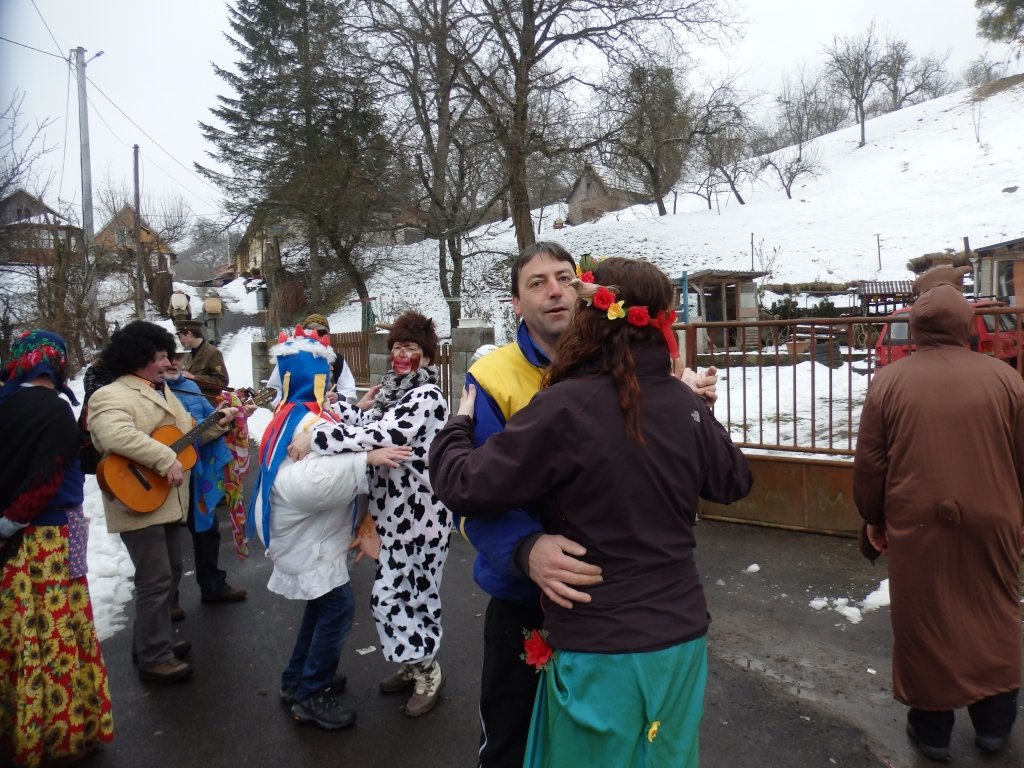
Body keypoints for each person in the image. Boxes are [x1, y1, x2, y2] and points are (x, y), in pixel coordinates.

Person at [429, 257, 752, 767]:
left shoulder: (569, 403)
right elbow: (734, 480)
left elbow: (464, 484)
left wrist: (454, 429)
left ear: (593, 312)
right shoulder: (677, 399)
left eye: (569, 284)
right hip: (679, 640)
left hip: (600, 640)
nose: (559, 294)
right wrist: (695, 410)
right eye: (539, 283)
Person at [854, 272, 1024, 761]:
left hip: (917, 519)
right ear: (965, 325)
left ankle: (931, 731)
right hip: (994, 517)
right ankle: (994, 724)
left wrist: (874, 519)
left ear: (917, 328)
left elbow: (871, 465)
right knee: (994, 611)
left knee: (925, 619)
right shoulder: (1006, 379)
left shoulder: (888, 382)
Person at [289, 311, 452, 718]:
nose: (401, 355)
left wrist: (317, 436)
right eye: (396, 347)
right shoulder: (393, 393)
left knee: (401, 598)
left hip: (422, 519)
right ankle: (412, 662)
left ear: (427, 356)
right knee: (401, 596)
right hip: (391, 517)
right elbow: (369, 423)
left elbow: (384, 435)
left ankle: (427, 670)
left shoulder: (428, 397)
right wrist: (342, 409)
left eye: (410, 348)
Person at [249, 327, 411, 730]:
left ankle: (297, 679)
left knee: (322, 605)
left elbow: (334, 437)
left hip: (310, 535)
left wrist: (357, 410)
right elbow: (303, 484)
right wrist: (365, 461)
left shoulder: (292, 413)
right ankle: (311, 693)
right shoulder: (303, 419)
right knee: (337, 609)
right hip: (309, 538)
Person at [88, 320, 235, 684]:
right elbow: (113, 435)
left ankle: (150, 642)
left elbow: (185, 439)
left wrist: (220, 423)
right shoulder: (111, 395)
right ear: (138, 358)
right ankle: (154, 657)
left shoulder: (162, 391)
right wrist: (163, 458)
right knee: (154, 579)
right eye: (160, 356)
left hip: (166, 501)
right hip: (136, 500)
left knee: (167, 572)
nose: (168, 362)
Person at [0, 330, 115, 767]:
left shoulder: (6, 402)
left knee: (22, 629)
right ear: (56, 364)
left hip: (18, 537)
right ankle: (62, 730)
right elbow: (48, 477)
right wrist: (12, 521)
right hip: (53, 532)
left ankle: (22, 725)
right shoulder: (53, 409)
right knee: (60, 627)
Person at [164, 339, 247, 612]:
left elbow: (206, 421)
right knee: (168, 540)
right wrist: (215, 423)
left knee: (207, 530)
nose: (174, 362)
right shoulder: (154, 392)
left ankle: (213, 586)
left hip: (201, 472)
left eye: (178, 357)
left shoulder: (190, 387)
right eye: (167, 357)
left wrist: (229, 416)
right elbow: (177, 434)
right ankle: (169, 601)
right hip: (168, 474)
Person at [267, 313, 357, 404]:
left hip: (331, 410)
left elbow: (349, 391)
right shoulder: (290, 357)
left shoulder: (337, 360)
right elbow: (275, 391)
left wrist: (338, 397)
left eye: (321, 332)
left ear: (328, 335)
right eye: (309, 331)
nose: (315, 335)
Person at [176, 319, 229, 403]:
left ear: (189, 334)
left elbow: (222, 381)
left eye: (181, 336)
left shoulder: (212, 352)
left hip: (210, 403)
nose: (180, 340)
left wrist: (194, 378)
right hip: (193, 401)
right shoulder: (189, 355)